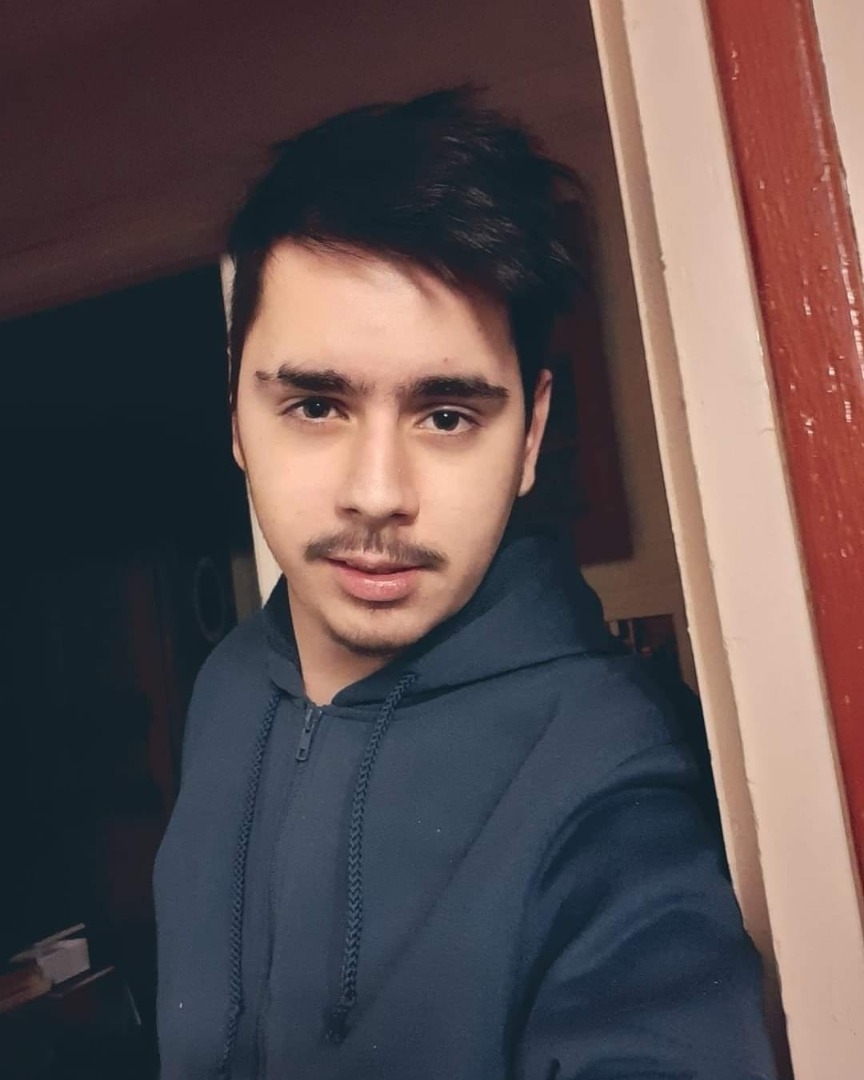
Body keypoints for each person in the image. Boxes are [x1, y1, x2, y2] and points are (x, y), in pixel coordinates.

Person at [154, 88, 777, 1080]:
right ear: (236, 413)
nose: (377, 493)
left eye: (446, 416)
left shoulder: (614, 775)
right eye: (315, 405)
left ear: (529, 436)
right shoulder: (225, 687)